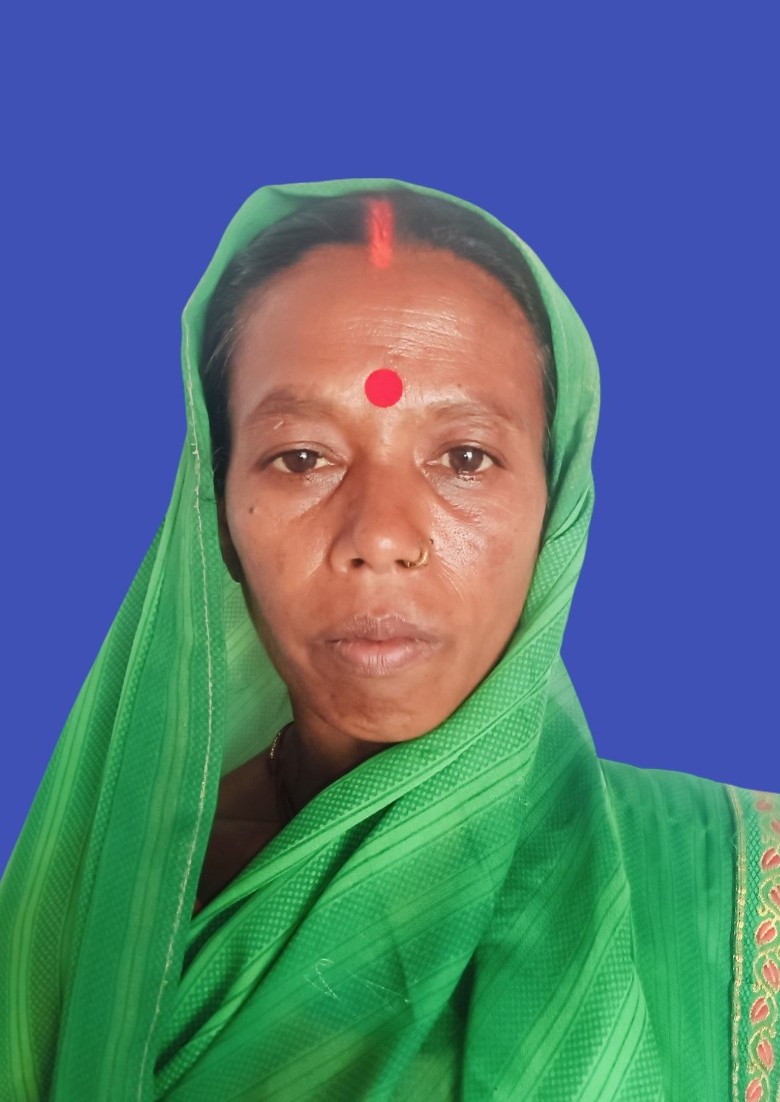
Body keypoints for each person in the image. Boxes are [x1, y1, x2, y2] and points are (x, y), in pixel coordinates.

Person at [0, 178, 777, 1101]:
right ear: (216, 518)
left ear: (556, 505)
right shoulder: (98, 917)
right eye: (302, 458)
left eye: (464, 458)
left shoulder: (742, 896)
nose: (379, 536)